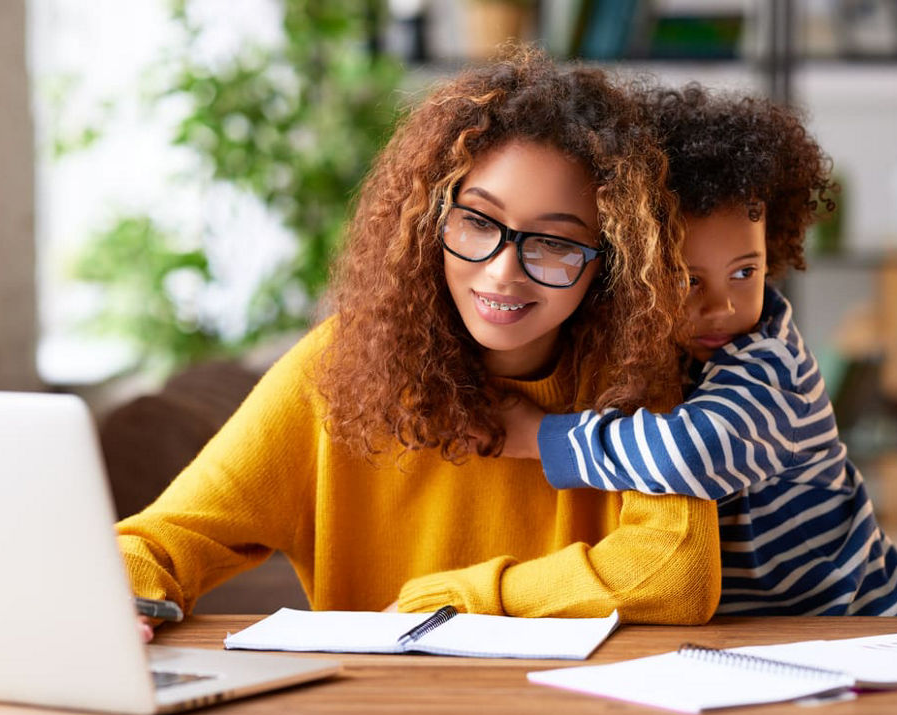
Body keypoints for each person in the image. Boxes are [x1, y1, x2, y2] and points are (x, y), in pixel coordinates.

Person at [117, 48, 722, 635]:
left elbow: (675, 573)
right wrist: (129, 593)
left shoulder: (638, 376)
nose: (503, 271)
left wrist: (457, 600)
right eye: (478, 222)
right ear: (432, 219)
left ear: (609, 261)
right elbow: (160, 540)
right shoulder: (340, 363)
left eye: (555, 243)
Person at [497, 87, 897, 616]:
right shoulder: (665, 354)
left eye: (746, 272)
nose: (721, 304)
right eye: (684, 279)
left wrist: (539, 437)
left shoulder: (771, 370)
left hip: (845, 622)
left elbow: (691, 453)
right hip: (747, 628)